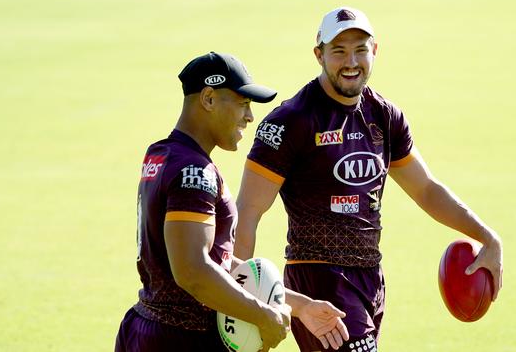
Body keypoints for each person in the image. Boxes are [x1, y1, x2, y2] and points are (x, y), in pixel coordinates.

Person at [234, 7, 504, 351]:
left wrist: (486, 236)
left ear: (375, 50)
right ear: (319, 55)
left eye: (360, 49)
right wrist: (239, 300)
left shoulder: (385, 116)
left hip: (370, 279)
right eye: (339, 51)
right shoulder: (291, 121)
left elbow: (425, 189)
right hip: (320, 281)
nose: (351, 61)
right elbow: (248, 211)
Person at [115, 51, 349, 352]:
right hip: (180, 340)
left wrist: (298, 305)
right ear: (209, 99)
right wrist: (264, 318)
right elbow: (193, 271)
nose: (250, 116)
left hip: (146, 328)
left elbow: (214, 261)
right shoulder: (194, 172)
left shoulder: (161, 155)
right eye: (242, 103)